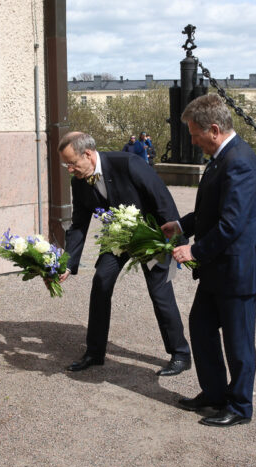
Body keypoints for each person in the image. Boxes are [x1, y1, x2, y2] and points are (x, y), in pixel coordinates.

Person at [161, 94, 256, 427]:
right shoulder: (224, 157)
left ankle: (239, 407)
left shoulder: (240, 161)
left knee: (238, 344)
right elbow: (212, 211)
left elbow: (232, 224)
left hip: (237, 271)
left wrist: (193, 251)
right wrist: (181, 225)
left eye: (195, 134)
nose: (193, 141)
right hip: (218, 270)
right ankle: (213, 394)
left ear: (215, 129)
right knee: (202, 328)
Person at [58, 132, 192, 376]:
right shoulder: (79, 180)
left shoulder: (128, 164)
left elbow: (162, 200)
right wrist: (67, 263)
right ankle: (94, 353)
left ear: (88, 154)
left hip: (151, 235)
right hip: (117, 237)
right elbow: (79, 223)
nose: (69, 169)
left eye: (72, 163)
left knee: (160, 292)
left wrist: (177, 243)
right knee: (101, 282)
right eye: (66, 164)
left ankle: (180, 354)